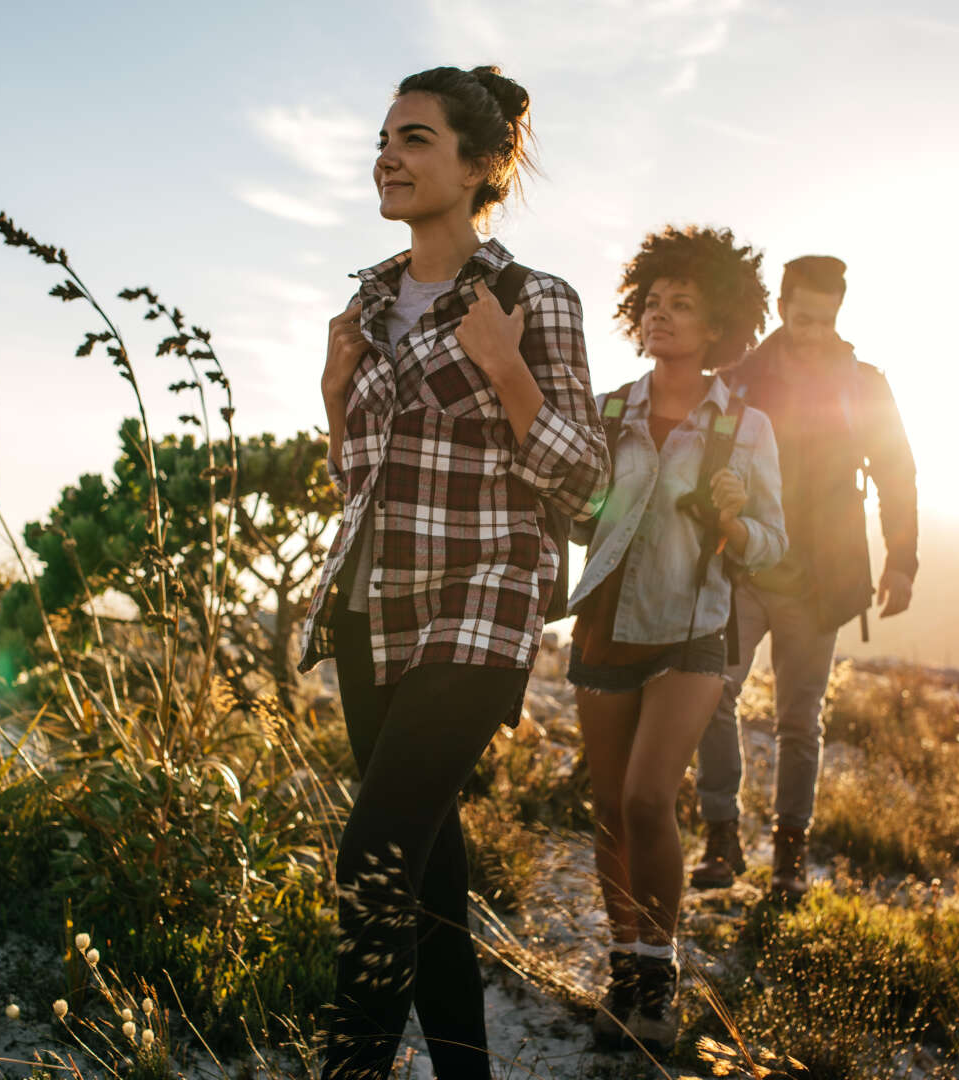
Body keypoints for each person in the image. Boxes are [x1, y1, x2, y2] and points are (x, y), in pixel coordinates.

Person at [298, 65, 609, 1080]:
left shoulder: (532, 298)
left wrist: (508, 369)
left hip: (484, 602)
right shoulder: (369, 301)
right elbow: (360, 480)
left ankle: (350, 1068)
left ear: (481, 166)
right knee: (425, 868)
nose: (387, 155)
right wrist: (336, 397)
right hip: (371, 605)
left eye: (417, 138)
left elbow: (587, 481)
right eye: (384, 137)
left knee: (373, 853)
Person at [569, 226, 786, 1051]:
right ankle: (622, 973)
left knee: (647, 797)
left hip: (693, 630)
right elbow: (579, 513)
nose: (662, 316)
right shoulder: (609, 411)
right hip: (603, 625)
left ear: (719, 327)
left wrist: (735, 522)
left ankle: (657, 988)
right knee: (605, 807)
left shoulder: (747, 428)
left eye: (683, 305)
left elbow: (776, 542)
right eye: (653, 303)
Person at [690, 254, 919, 899]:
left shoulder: (865, 384)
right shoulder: (740, 379)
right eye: (801, 316)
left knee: (799, 720)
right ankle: (720, 836)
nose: (812, 330)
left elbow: (898, 471)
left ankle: (789, 856)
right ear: (784, 305)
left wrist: (901, 560)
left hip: (824, 581)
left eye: (824, 319)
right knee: (711, 695)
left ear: (838, 313)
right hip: (739, 566)